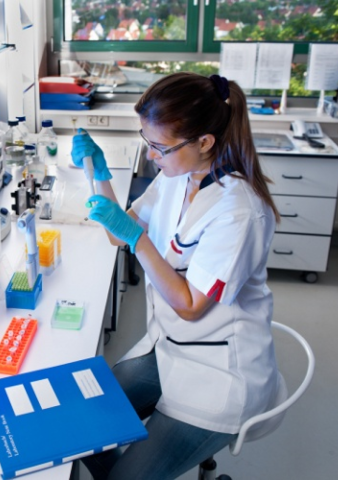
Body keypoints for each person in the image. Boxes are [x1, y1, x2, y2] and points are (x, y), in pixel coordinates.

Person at [72, 72, 282, 479]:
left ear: (205, 142)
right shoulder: (177, 176)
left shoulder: (239, 212)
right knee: (82, 424)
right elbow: (121, 235)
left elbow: (188, 304)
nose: (151, 155)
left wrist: (139, 239)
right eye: (146, 141)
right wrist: (97, 173)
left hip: (219, 371)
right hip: (169, 348)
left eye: (159, 147)